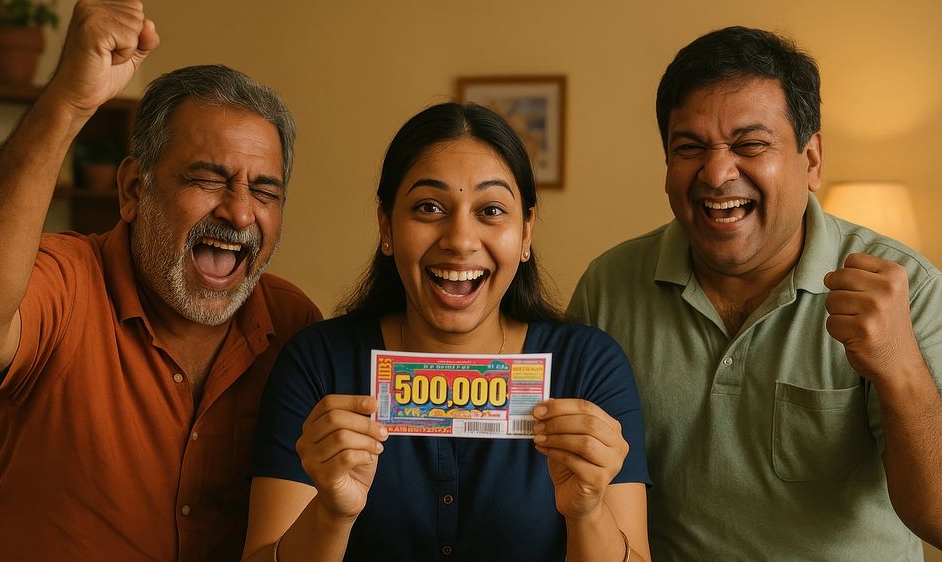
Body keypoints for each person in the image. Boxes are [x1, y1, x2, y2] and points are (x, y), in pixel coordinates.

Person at [0, 1, 321, 560]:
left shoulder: (293, 323)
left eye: (265, 191)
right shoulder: (67, 280)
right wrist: (68, 103)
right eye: (207, 179)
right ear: (133, 191)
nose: (241, 214)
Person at [568, 26, 942, 561]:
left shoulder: (910, 291)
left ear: (811, 160)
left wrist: (898, 365)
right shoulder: (608, 287)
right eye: (689, 148)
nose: (717, 173)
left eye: (750, 145)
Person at [240, 102, 652, 562]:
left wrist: (588, 511)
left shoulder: (588, 367)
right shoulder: (318, 362)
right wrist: (331, 513)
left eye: (491, 210)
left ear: (526, 234)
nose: (459, 239)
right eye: (429, 207)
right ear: (386, 226)